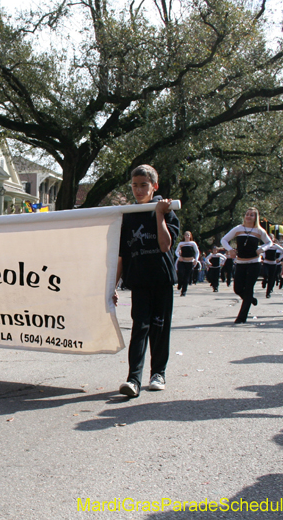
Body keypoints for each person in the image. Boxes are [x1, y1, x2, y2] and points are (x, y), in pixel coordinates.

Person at [114, 165, 179, 398]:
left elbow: (165, 245)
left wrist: (160, 214)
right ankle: (133, 379)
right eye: (134, 185)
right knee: (139, 328)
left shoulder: (167, 210)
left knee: (159, 328)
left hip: (161, 279)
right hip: (139, 280)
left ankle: (158, 373)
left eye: (144, 185)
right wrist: (112, 286)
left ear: (154, 186)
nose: (139, 190)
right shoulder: (127, 215)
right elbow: (122, 255)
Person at [221, 208, 272, 323]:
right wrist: (230, 250)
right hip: (240, 263)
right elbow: (224, 240)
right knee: (238, 288)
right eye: (247, 214)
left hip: (254, 263)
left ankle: (241, 317)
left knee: (249, 289)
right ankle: (250, 299)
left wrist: (262, 249)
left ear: (255, 218)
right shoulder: (238, 228)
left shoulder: (259, 230)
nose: (249, 216)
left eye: (252, 215)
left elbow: (269, 242)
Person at [261, 234, 283, 299]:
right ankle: (264, 280)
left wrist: (279, 259)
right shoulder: (265, 245)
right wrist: (263, 257)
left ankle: (268, 293)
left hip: (273, 264)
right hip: (266, 263)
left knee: (271, 279)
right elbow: (260, 250)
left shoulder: (275, 246)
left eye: (271, 238)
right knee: (265, 274)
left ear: (273, 239)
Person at [174, 231, 199, 297]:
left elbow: (197, 252)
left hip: (189, 262)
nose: (187, 236)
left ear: (190, 236)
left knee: (186, 277)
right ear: (184, 236)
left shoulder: (193, 243)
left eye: (188, 235)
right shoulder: (181, 243)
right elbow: (176, 251)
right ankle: (180, 283)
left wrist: (196, 259)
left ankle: (184, 291)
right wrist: (179, 257)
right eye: (186, 235)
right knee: (180, 273)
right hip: (182, 261)